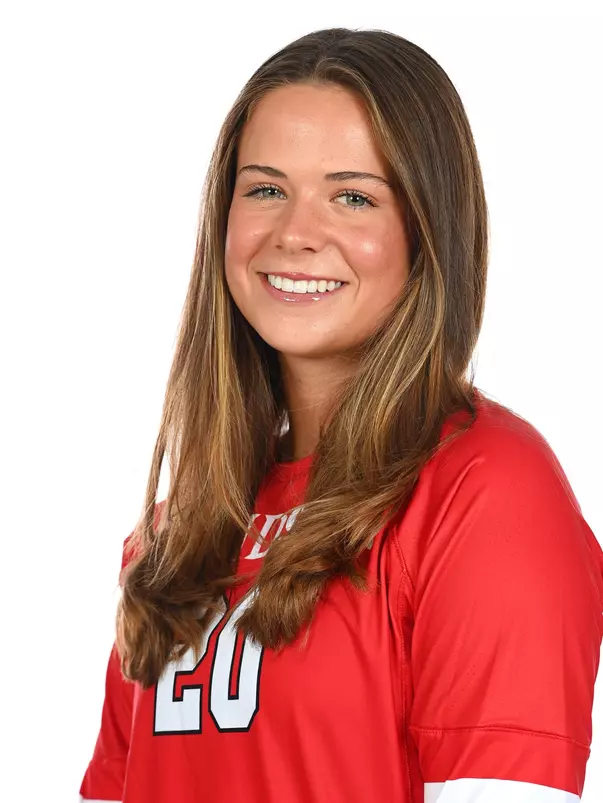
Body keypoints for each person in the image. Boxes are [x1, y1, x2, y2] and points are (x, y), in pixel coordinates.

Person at [79, 27, 603, 803]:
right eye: (264, 189)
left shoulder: (487, 489)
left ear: (427, 231)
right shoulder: (178, 529)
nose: (294, 233)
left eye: (352, 195)